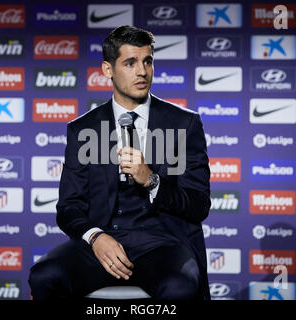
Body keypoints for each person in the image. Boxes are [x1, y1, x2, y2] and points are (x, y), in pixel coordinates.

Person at [28, 25, 211, 300]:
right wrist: (95, 237)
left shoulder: (184, 124)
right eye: (130, 62)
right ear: (108, 70)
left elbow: (199, 204)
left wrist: (151, 180)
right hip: (102, 244)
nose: (142, 71)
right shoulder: (83, 129)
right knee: (44, 275)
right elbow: (69, 207)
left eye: (147, 61)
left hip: (164, 244)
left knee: (180, 287)